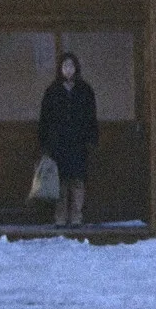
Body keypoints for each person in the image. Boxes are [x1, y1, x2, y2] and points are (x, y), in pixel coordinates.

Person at [38, 52, 98, 228]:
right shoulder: (52, 90)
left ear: (76, 68)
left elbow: (91, 116)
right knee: (61, 182)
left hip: (79, 143)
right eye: (65, 66)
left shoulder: (85, 90)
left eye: (71, 66)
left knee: (78, 181)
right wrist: (44, 142)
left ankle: (76, 217)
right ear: (60, 69)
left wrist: (92, 138)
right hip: (58, 143)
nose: (68, 70)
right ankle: (60, 218)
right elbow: (45, 119)